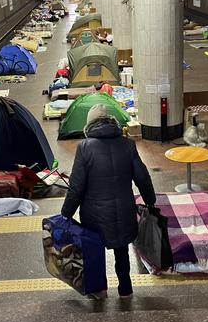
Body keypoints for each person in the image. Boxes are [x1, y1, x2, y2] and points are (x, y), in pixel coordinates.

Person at [61, 104, 156, 298]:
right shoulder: (127, 144)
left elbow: (76, 187)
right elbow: (143, 177)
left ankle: (100, 290)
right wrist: (150, 201)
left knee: (96, 252)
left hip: (94, 214)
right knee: (122, 250)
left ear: (89, 125)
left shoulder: (85, 148)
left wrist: (66, 213)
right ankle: (126, 290)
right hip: (124, 210)